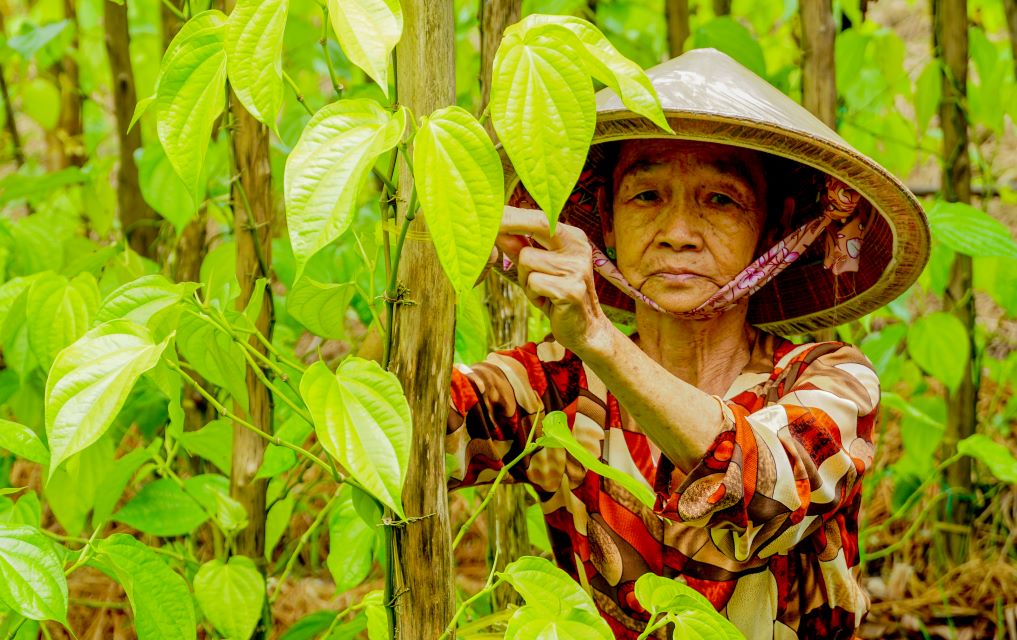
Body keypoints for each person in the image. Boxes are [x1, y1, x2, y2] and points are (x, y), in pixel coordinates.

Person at [445, 49, 930, 639]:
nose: (677, 234)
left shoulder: (829, 380)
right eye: (646, 196)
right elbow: (406, 437)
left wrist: (598, 336)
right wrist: (437, 263)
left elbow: (762, 489)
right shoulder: (559, 384)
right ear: (607, 215)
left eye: (719, 200)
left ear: (771, 227)